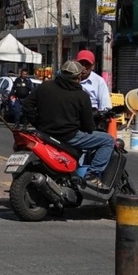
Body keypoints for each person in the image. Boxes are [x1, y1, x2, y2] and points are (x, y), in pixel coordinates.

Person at [22, 60, 114, 189]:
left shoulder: (45, 87)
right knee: (108, 140)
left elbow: (27, 105)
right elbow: (88, 127)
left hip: (44, 134)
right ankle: (92, 175)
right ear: (78, 76)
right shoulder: (81, 96)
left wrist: (37, 123)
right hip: (69, 137)